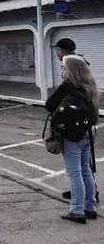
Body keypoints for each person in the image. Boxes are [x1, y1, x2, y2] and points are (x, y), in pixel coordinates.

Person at [45, 55, 99, 224]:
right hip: (85, 133)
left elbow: (49, 105)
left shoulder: (67, 85)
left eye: (64, 67)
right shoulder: (89, 85)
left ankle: (76, 210)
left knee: (74, 173)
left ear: (71, 70)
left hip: (71, 135)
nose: (62, 70)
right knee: (85, 170)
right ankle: (90, 207)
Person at [52, 38, 98, 203]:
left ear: (62, 51)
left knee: (77, 170)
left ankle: (78, 206)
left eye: (57, 50)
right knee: (85, 167)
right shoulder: (83, 67)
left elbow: (51, 104)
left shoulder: (71, 71)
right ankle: (89, 199)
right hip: (87, 122)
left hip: (75, 125)